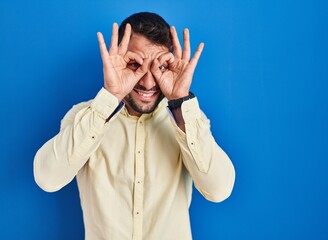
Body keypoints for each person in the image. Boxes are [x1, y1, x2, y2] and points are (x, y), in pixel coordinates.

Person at [34, 12, 235, 240]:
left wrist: (180, 101)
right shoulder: (85, 116)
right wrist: (110, 97)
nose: (148, 82)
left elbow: (219, 190)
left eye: (159, 67)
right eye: (134, 64)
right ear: (117, 59)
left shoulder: (188, 119)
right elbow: (47, 178)